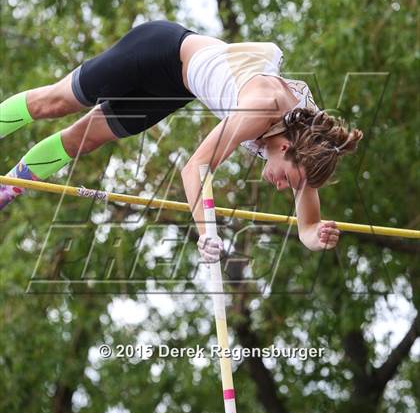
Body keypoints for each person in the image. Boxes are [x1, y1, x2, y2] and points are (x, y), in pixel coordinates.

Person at [0, 19, 363, 261]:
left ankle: (8, 188)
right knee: (56, 102)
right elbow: (197, 167)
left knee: (84, 140)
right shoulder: (259, 110)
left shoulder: (306, 141)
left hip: (174, 87)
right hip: (156, 51)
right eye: (288, 178)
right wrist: (207, 233)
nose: (284, 187)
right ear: (285, 148)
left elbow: (306, 202)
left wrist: (313, 233)